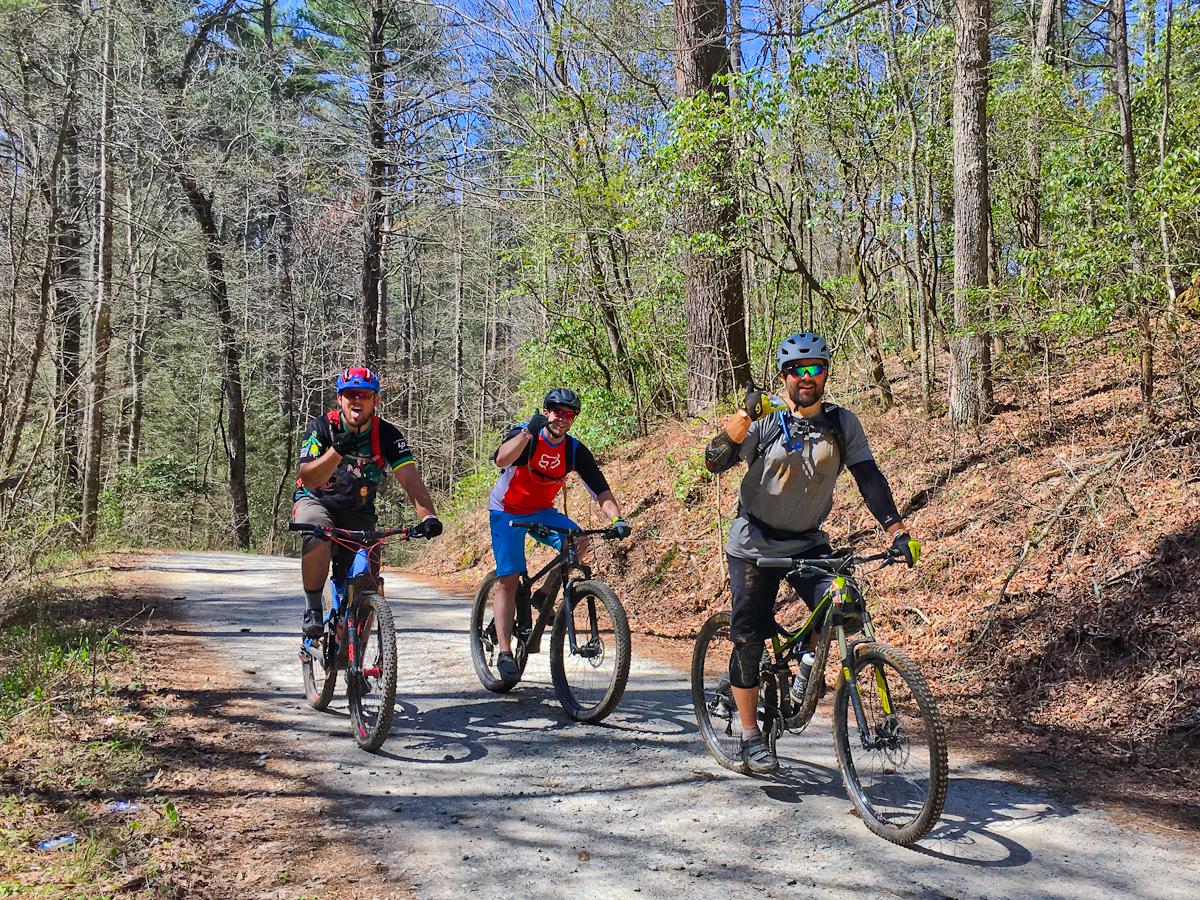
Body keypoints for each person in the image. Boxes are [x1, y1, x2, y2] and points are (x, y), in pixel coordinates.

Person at [704, 333, 921, 774]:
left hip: (807, 541)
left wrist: (897, 529)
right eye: (797, 370)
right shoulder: (766, 422)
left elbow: (868, 477)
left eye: (815, 368)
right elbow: (715, 460)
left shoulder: (842, 424)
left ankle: (806, 666)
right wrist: (744, 415)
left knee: (846, 604)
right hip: (753, 544)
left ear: (825, 373)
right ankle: (749, 736)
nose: (807, 377)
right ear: (785, 376)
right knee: (748, 641)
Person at [488, 387, 631, 681]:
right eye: (556, 411)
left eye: (568, 414)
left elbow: (599, 488)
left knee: (579, 541)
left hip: (542, 510)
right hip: (506, 511)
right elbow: (501, 460)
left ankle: (542, 596)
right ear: (546, 410)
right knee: (509, 578)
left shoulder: (574, 449)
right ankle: (504, 652)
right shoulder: (526, 434)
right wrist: (528, 432)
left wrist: (616, 518)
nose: (561, 418)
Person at [292, 367, 442, 636]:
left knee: (369, 582)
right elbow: (309, 477)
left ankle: (358, 658)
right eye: (350, 394)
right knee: (316, 532)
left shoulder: (387, 435)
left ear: (376, 401)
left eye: (364, 394)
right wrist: (336, 451)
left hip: (359, 511)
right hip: (317, 502)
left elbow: (409, 478)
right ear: (339, 399)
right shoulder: (321, 428)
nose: (356, 400)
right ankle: (313, 608)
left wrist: (428, 516)